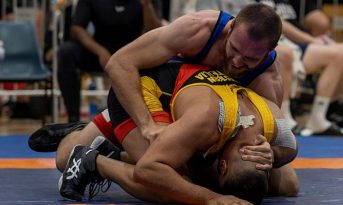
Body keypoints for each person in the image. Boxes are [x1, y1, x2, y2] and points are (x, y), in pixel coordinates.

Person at [30, 62, 298, 203]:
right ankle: (93, 160)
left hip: (187, 101)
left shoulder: (270, 119)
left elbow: (291, 171)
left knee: (282, 185)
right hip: (147, 95)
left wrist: (273, 154)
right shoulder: (207, 122)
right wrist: (211, 198)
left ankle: (113, 148)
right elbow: (149, 170)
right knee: (171, 190)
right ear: (224, 164)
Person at [104, 3, 284, 144]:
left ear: (270, 51)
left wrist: (266, 151)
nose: (237, 61)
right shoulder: (197, 29)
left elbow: (271, 135)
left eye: (249, 58)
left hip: (200, 121)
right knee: (80, 142)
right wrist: (147, 125)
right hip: (156, 98)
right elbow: (119, 63)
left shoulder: (269, 79)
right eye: (234, 48)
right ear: (231, 27)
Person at [258, 0, 343, 135]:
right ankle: (284, 117)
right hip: (281, 41)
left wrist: (318, 38)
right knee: (286, 54)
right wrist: (311, 40)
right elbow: (275, 21)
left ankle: (330, 112)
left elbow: (318, 20)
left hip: (299, 43)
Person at [57, 0, 162, 122]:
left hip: (134, 54)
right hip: (99, 53)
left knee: (159, 53)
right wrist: (100, 51)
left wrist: (147, 5)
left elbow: (156, 33)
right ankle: (73, 119)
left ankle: (151, 116)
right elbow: (76, 29)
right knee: (66, 52)